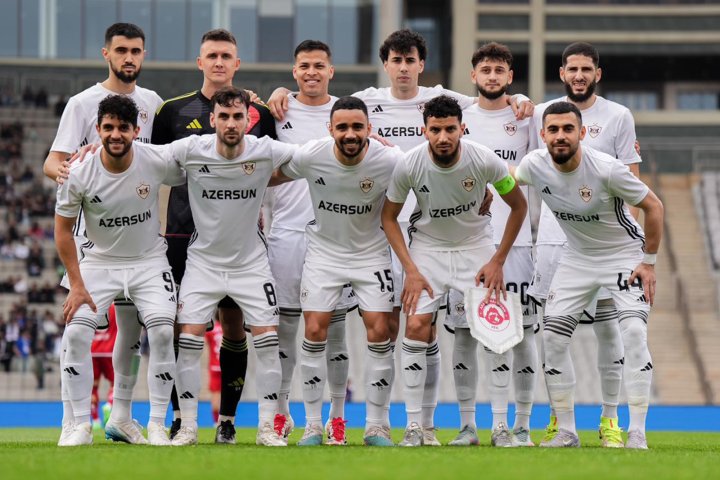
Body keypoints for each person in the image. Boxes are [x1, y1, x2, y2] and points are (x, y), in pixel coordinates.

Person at [268, 29, 533, 443]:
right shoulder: (368, 113)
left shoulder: (452, 114)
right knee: (399, 329)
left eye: (411, 60)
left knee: (482, 332)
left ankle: (483, 425)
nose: (404, 68)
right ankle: (395, 424)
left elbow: (492, 101)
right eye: (397, 60)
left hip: (461, 243)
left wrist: (518, 100)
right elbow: (311, 112)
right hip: (402, 243)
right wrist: (279, 92)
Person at [151, 28, 276, 444]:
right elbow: (151, 166)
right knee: (178, 328)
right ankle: (181, 418)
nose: (219, 62)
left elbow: (274, 170)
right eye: (212, 55)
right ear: (199, 61)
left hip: (239, 239)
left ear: (237, 64)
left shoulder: (259, 114)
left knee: (234, 325)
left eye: (227, 55)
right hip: (179, 233)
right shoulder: (171, 111)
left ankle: (227, 419)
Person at [514, 101, 663, 448]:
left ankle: (637, 431)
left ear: (582, 133)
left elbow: (653, 206)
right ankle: (567, 431)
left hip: (622, 256)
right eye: (553, 130)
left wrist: (649, 261)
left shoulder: (607, 169)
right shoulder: (535, 164)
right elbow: (507, 177)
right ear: (543, 135)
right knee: (551, 338)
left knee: (634, 333)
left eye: (568, 129)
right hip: (577, 258)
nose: (560, 136)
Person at [381, 95, 527, 447]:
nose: (443, 137)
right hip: (428, 251)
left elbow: (519, 207)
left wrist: (498, 260)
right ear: (424, 131)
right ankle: (415, 427)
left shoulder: (484, 160)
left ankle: (498, 427)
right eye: (435, 130)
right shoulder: (409, 165)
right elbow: (388, 217)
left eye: (450, 129)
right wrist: (411, 269)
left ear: (462, 128)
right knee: (415, 326)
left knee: (496, 334)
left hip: (476, 249)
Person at [43, 22, 163, 446]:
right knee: (79, 326)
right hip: (93, 239)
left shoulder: (152, 103)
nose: (129, 57)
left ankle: (123, 417)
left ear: (143, 56)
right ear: (106, 54)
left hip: (142, 239)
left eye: (136, 51)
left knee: (132, 332)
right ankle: (73, 423)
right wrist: (74, 169)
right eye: (121, 50)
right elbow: (52, 163)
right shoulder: (82, 103)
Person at [529, 42, 645, 447]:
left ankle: (610, 419)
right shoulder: (541, 112)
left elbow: (632, 181)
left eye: (586, 69)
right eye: (572, 69)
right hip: (552, 237)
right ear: (561, 73)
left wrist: (628, 247)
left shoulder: (619, 116)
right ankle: (561, 422)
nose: (579, 75)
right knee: (551, 332)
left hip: (605, 239)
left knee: (611, 332)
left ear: (598, 73)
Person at [54, 95, 185, 446]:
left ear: (136, 130)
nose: (115, 134)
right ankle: (78, 424)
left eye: (123, 128)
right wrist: (78, 285)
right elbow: (63, 232)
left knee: (159, 333)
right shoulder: (78, 172)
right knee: (77, 335)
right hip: (98, 263)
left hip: (148, 261)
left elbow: (200, 154)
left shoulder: (155, 159)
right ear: (97, 130)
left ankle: (155, 423)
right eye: (108, 127)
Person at [272, 96, 403, 446]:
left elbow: (427, 174)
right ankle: (315, 425)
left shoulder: (390, 159)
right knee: (314, 329)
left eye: (357, 127)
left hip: (371, 254)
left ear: (369, 130)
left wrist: (482, 187)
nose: (349, 133)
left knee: (379, 332)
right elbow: (269, 176)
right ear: (330, 128)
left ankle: (376, 425)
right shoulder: (311, 154)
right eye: (342, 127)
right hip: (324, 254)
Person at [169, 87, 293, 447]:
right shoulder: (191, 150)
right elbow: (145, 156)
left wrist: (369, 144)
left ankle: (267, 428)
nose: (230, 123)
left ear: (248, 120)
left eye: (238, 116)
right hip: (203, 263)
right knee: (189, 338)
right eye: (223, 116)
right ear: (212, 120)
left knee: (268, 342)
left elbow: (314, 155)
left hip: (251, 265)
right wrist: (95, 149)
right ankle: (189, 427)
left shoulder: (264, 151)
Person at [444, 42, 538, 447]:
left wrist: (524, 103)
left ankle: (517, 425)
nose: (493, 76)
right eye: (486, 70)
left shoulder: (528, 119)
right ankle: (468, 425)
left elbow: (538, 171)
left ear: (510, 77)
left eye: (500, 70)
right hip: (465, 243)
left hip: (515, 244)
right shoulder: (457, 116)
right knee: (464, 334)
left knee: (520, 334)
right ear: (473, 76)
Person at [266, 40, 352, 442]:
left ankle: (336, 417)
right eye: (305, 66)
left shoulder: (348, 113)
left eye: (320, 65)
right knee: (286, 329)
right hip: (285, 232)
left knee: (334, 330)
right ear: (294, 71)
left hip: (335, 237)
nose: (312, 72)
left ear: (331, 71)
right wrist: (268, 96)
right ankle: (282, 413)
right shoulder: (274, 112)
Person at [91, 304, 117, 429]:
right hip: (110, 351)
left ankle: (95, 420)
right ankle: (109, 404)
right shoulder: (115, 307)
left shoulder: (93, 304)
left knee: (93, 387)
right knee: (115, 383)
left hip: (93, 351)